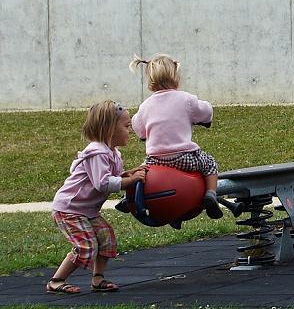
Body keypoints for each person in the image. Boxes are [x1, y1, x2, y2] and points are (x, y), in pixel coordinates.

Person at [47, 100, 146, 294]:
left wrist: (130, 174)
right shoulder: (97, 152)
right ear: (109, 130)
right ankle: (56, 281)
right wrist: (131, 181)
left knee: (106, 239)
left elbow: (115, 176)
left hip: (87, 211)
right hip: (70, 209)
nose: (130, 131)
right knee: (86, 246)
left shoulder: (112, 153)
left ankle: (98, 279)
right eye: (126, 127)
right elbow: (102, 183)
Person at [130, 53, 223, 223]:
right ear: (175, 77)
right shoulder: (186, 99)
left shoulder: (145, 106)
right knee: (210, 164)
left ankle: (129, 197)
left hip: (155, 162)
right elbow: (206, 112)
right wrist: (205, 117)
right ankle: (211, 194)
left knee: (140, 171)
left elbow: (137, 126)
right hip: (184, 158)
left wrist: (145, 134)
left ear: (150, 81)